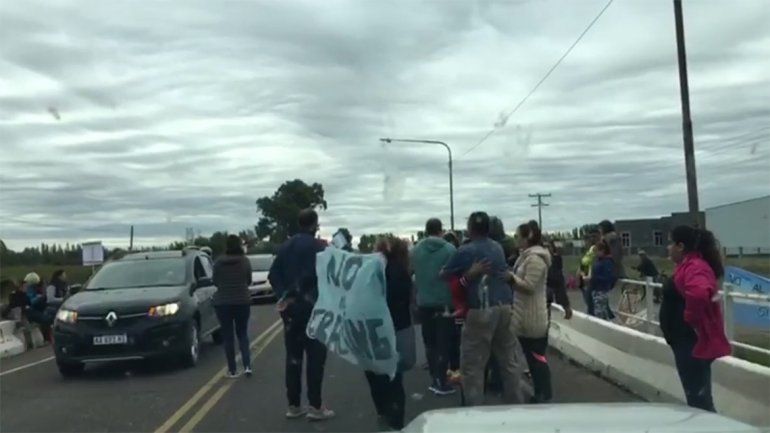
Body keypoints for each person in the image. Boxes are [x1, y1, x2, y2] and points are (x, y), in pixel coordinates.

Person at [442, 211, 521, 406]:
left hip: (481, 309)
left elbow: (443, 274)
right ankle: (516, 405)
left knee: (473, 366)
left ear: (470, 229)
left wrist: (467, 275)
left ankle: (474, 412)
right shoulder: (497, 247)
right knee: (508, 362)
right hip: (504, 306)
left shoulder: (465, 251)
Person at [268, 209, 335, 421]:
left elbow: (272, 275)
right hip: (315, 309)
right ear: (315, 224)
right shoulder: (319, 247)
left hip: (290, 312)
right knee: (315, 358)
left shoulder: (285, 247)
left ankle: (294, 405)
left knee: (293, 358)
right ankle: (315, 406)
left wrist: (284, 296)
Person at [662, 225, 730, 412]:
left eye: (670, 243)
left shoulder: (695, 267)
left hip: (691, 343)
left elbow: (699, 293)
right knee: (696, 394)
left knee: (699, 399)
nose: (668, 248)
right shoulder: (688, 266)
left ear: (680, 246)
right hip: (685, 341)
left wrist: (690, 318)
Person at [366, 237, 412, 430]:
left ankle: (383, 411)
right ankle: (396, 421)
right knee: (395, 378)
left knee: (375, 374)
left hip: (375, 328)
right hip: (398, 328)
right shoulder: (403, 272)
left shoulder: (371, 273)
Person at [505, 221, 553, 403]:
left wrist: (511, 279)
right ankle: (541, 392)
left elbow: (530, 286)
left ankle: (544, 393)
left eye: (518, 236)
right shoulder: (525, 257)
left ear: (528, 237)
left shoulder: (535, 259)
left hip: (534, 317)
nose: (515, 240)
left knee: (537, 359)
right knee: (533, 359)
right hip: (526, 315)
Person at [411, 218, 457, 396]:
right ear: (441, 230)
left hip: (424, 302)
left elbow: (413, 272)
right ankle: (441, 379)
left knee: (430, 342)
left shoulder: (416, 250)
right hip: (445, 302)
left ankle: (434, 377)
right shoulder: (450, 249)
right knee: (444, 342)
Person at [212, 235, 253, 379]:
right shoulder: (244, 261)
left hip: (223, 302)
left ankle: (233, 369)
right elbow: (248, 280)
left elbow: (215, 281)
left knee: (228, 336)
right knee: (242, 334)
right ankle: (247, 366)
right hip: (242, 300)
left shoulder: (218, 263)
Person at [587, 240, 615, 320]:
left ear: (602, 250)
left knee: (600, 313)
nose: (596, 253)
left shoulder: (607, 262)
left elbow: (607, 277)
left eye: (597, 251)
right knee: (600, 312)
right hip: (595, 289)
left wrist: (593, 278)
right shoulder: (599, 260)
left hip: (601, 290)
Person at [546, 241, 573, 320]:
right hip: (547, 284)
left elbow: (558, 274)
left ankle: (567, 309)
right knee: (546, 303)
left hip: (556, 282)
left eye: (549, 247)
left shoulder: (556, 258)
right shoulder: (541, 259)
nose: (547, 249)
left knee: (561, 296)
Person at [578, 230, 599, 315]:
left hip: (588, 278)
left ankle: (593, 317)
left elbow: (588, 263)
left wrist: (582, 271)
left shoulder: (593, 249)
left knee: (590, 303)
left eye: (586, 240)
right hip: (584, 278)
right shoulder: (587, 251)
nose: (585, 243)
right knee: (589, 302)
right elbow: (584, 263)